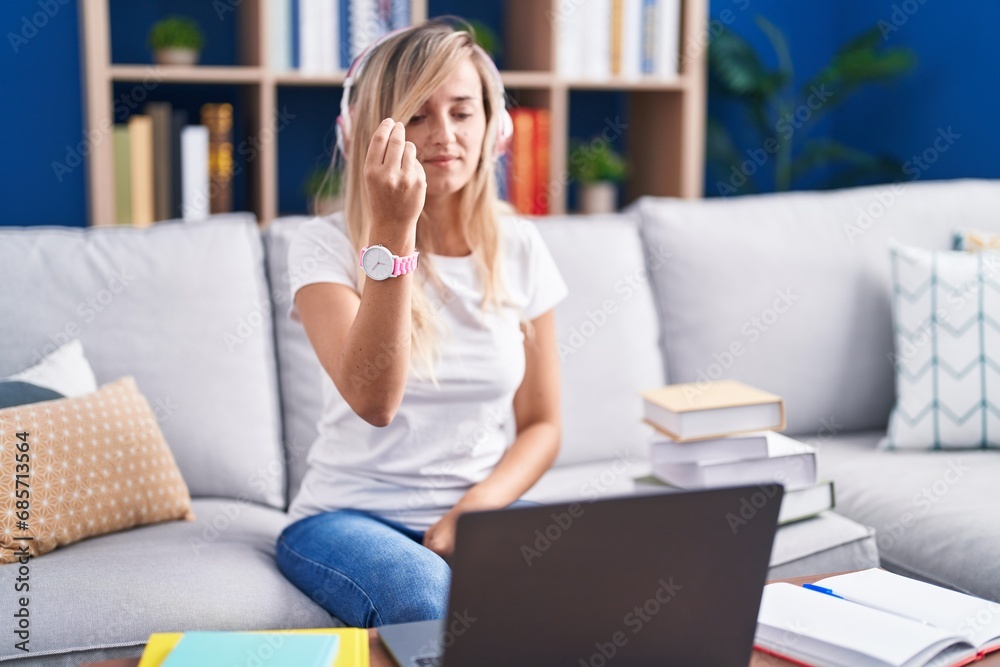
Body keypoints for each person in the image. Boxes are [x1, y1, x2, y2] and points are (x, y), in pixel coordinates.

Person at [275, 19, 568, 628]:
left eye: (462, 112)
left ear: (495, 128)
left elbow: (542, 423)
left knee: (588, 579)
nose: (443, 137)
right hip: (347, 516)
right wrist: (391, 228)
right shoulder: (322, 246)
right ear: (367, 134)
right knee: (424, 599)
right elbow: (374, 399)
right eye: (416, 117)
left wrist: (478, 509)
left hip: (475, 508)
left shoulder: (520, 247)